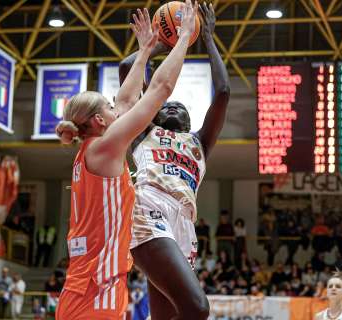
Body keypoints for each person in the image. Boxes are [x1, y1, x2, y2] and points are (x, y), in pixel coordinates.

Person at [55, 4, 196, 320]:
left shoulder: (93, 148)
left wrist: (145, 51)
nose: (114, 106)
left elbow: (125, 101)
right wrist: (184, 37)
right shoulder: (105, 147)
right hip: (96, 291)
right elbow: (159, 89)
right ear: (97, 120)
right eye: (107, 106)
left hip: (87, 286)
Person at [120, 3, 230, 319]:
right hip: (148, 207)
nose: (172, 108)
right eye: (166, 106)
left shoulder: (200, 142)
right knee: (197, 309)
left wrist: (207, 37)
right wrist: (157, 44)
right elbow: (128, 69)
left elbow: (222, 91)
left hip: (183, 223)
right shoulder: (144, 130)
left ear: (189, 121)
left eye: (179, 108)